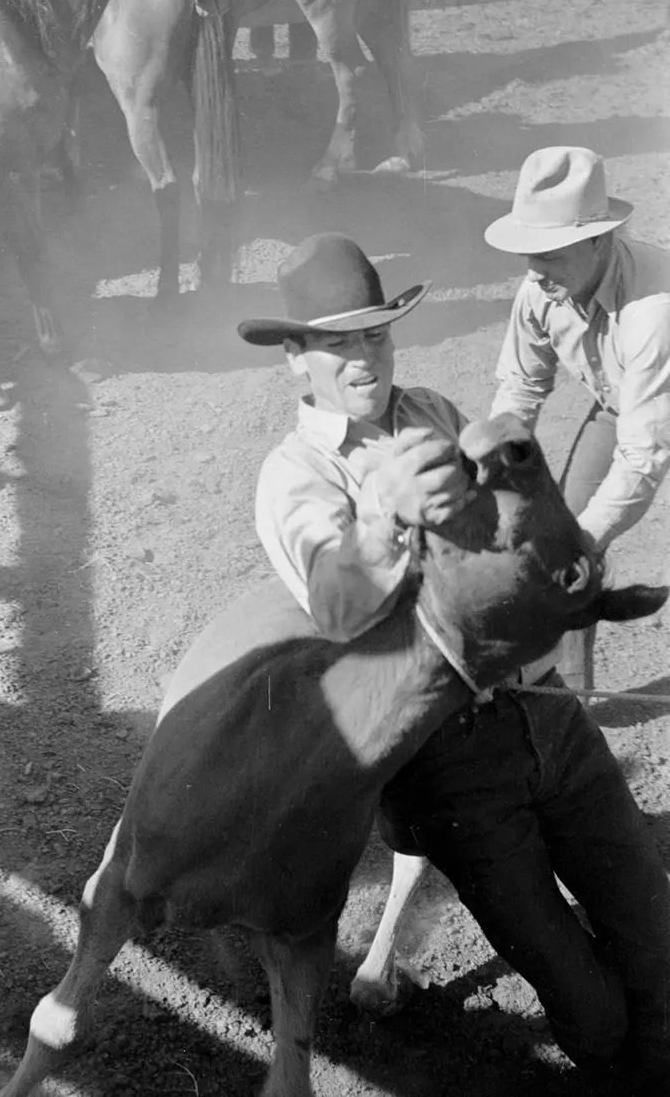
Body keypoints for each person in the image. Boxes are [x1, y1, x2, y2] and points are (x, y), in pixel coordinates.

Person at [237, 231, 670, 1091]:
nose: (365, 356)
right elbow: (339, 610)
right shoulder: (295, 476)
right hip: (452, 764)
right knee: (587, 1005)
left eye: (377, 334)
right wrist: (379, 523)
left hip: (551, 712)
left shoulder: (433, 409)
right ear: (296, 357)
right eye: (339, 340)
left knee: (654, 938)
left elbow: (500, 545)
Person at [485, 146, 670, 689]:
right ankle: (571, 696)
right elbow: (521, 385)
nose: (535, 272)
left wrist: (581, 542)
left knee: (577, 540)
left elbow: (644, 456)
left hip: (650, 405)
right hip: (623, 404)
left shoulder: (653, 311)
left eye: (550, 255)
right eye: (529, 255)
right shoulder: (539, 289)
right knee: (561, 535)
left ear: (599, 241)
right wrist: (495, 475)